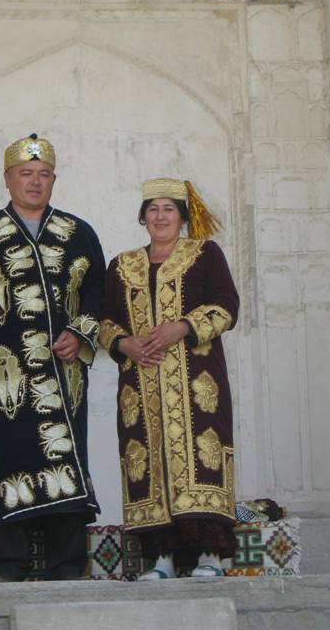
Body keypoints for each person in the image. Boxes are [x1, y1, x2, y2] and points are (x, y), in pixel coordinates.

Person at [0, 133, 105, 581]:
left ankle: (68, 565)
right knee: (12, 459)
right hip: (9, 375)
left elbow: (98, 292)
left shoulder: (78, 233)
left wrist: (81, 334)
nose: (34, 183)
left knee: (67, 456)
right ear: (8, 179)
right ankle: (9, 564)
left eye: (43, 175)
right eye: (26, 174)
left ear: (53, 180)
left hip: (65, 373)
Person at [99, 178, 239, 579]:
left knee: (200, 455)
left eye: (169, 209)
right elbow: (104, 320)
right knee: (147, 461)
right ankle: (159, 557)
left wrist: (183, 326)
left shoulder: (204, 255)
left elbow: (227, 307)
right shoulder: (122, 266)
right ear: (143, 217)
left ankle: (210, 556)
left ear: (182, 216)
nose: (160, 216)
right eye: (153, 209)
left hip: (197, 383)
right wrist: (123, 343)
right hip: (140, 385)